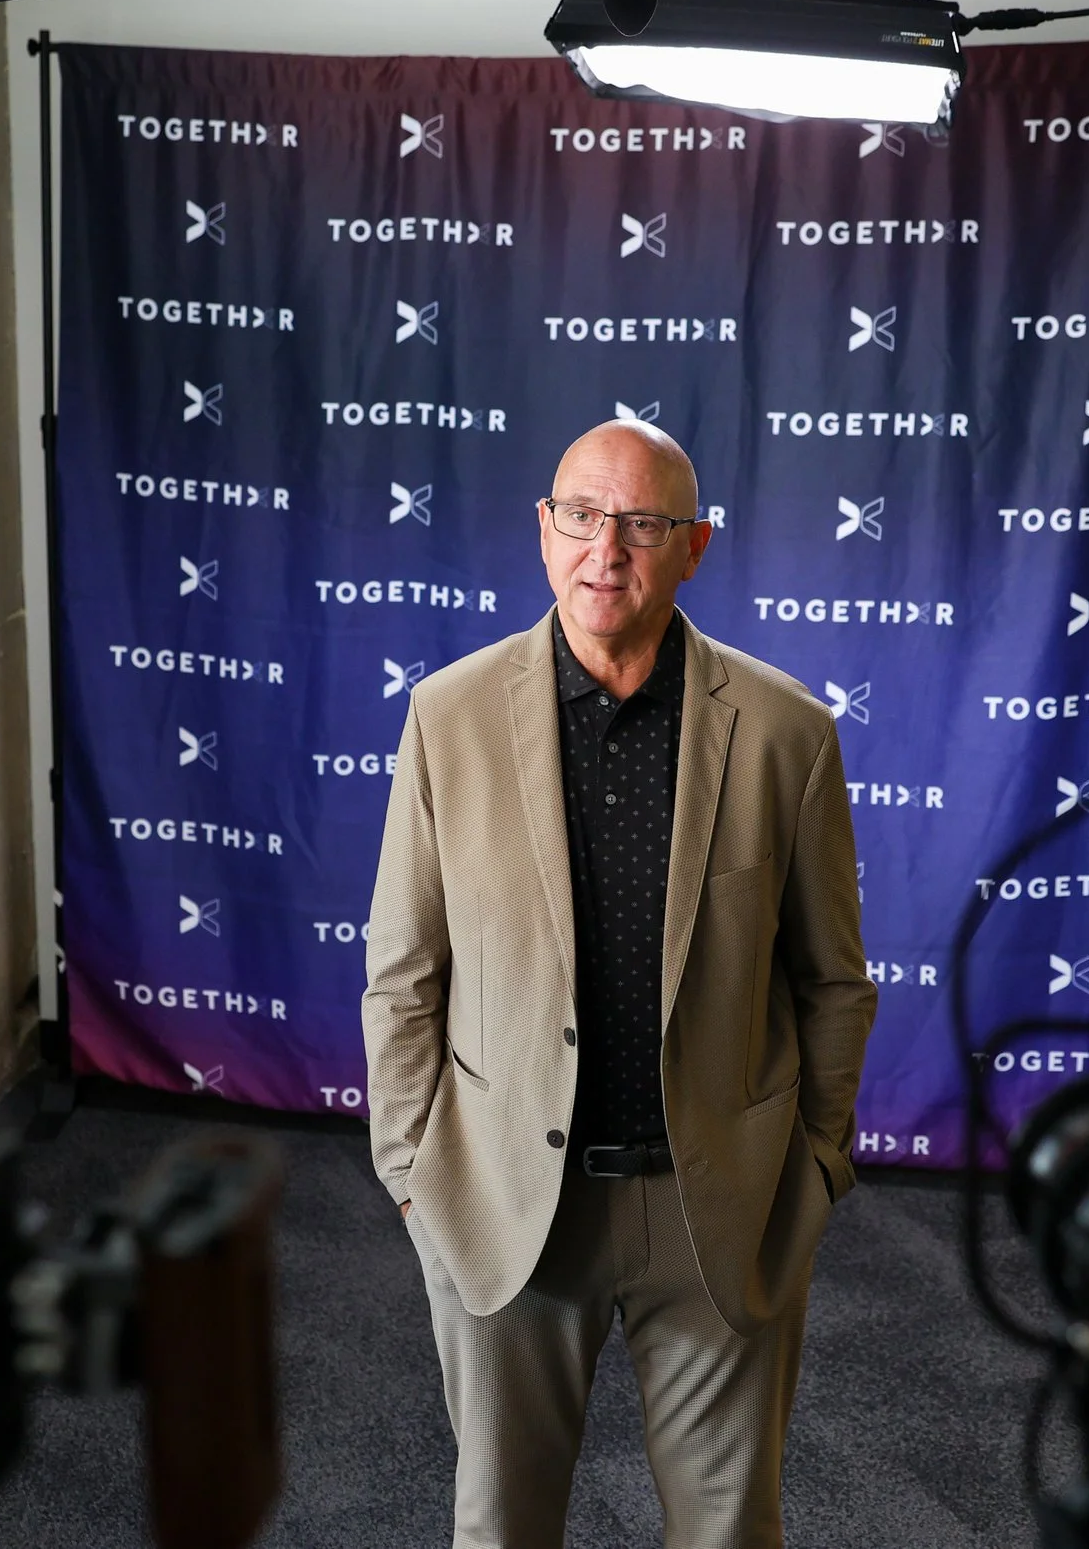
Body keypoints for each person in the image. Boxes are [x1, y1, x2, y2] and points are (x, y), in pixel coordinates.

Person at [363, 419, 877, 1549]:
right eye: (583, 517)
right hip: (504, 1200)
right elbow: (403, 968)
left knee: (729, 1531)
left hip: (719, 1205)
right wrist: (409, 1168)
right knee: (500, 1529)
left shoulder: (785, 731)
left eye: (643, 523)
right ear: (543, 531)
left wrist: (816, 1164)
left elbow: (833, 980)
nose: (607, 550)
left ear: (694, 546)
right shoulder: (449, 715)